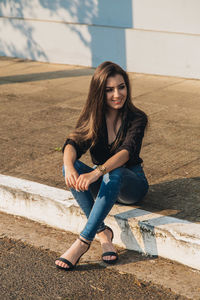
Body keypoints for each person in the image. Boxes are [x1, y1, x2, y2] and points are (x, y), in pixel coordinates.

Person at [55, 61, 149, 271]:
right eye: (109, 90)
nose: (117, 94)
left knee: (113, 173)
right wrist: (69, 167)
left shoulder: (137, 118)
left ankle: (83, 242)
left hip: (132, 185)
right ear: (99, 92)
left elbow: (127, 152)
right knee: (69, 167)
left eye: (121, 87)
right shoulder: (94, 118)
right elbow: (72, 143)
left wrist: (97, 172)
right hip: (105, 182)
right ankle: (104, 234)